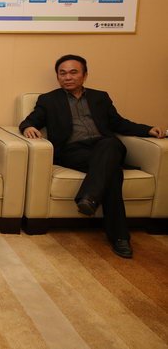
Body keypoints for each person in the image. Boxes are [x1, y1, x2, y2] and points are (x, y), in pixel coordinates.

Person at [19, 54, 165, 258]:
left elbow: (118, 123)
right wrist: (28, 127)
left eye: (73, 72)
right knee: (113, 173)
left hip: (104, 147)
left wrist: (147, 129)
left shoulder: (100, 97)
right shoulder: (49, 100)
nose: (67, 77)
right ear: (58, 77)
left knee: (110, 144)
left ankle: (89, 198)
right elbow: (29, 121)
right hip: (73, 152)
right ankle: (120, 237)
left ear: (85, 75)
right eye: (62, 73)